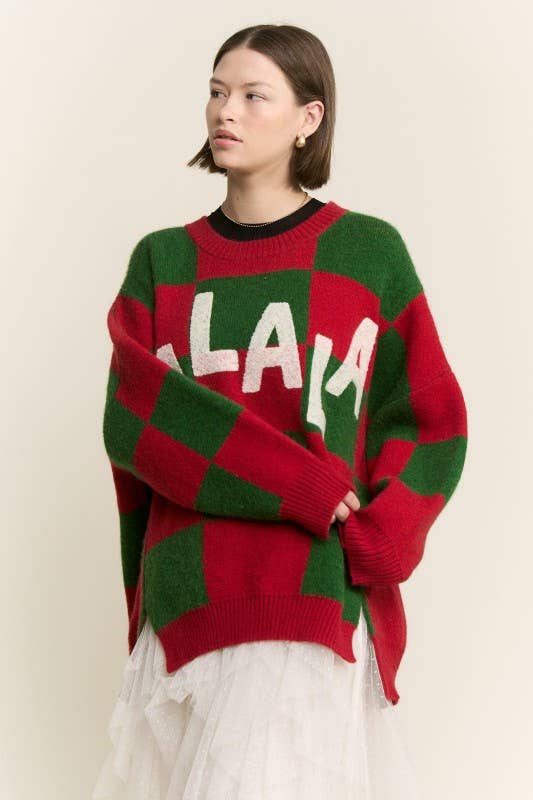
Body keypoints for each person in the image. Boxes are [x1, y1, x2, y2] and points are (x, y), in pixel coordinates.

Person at [92, 23, 467, 800]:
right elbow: (137, 422)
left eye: (253, 95)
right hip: (187, 596)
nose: (225, 111)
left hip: (308, 593)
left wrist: (385, 536)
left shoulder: (366, 252)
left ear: (308, 117)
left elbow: (427, 415)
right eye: (216, 91)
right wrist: (296, 484)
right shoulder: (163, 261)